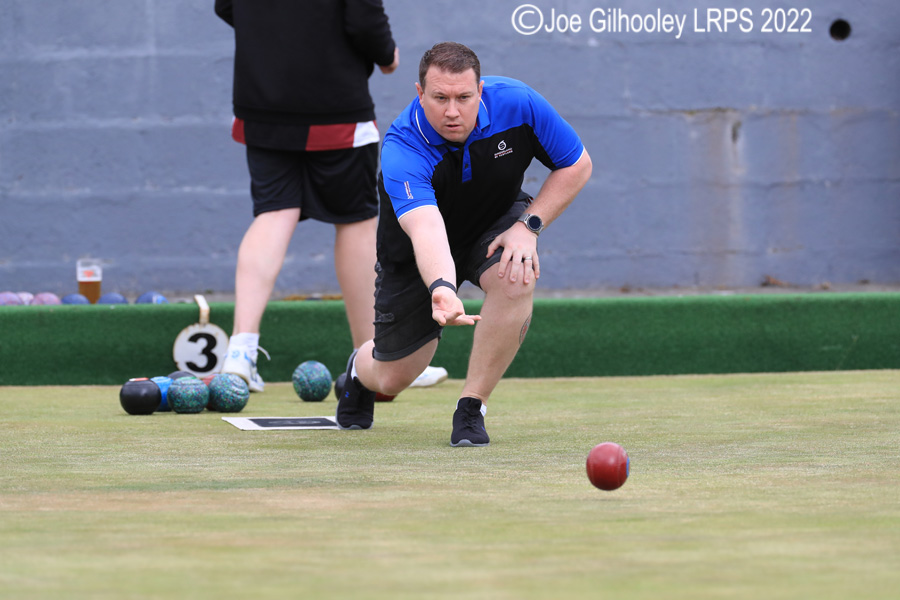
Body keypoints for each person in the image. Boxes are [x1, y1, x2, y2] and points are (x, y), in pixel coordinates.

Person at [335, 42, 592, 445]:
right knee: (393, 377)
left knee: (516, 275)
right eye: (440, 98)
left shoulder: (519, 103)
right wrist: (442, 286)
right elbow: (426, 228)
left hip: (494, 220)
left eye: (463, 98)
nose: (452, 111)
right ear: (420, 93)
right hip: (416, 253)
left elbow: (577, 164)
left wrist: (529, 226)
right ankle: (357, 371)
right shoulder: (403, 147)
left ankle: (472, 406)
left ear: (480, 90)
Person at [213, 0, 447, 392]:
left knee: (274, 212)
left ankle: (240, 352)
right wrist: (386, 54)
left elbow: (226, 6)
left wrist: (274, 39)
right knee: (356, 221)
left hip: (262, 98)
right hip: (333, 101)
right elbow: (363, 18)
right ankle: (378, 358)